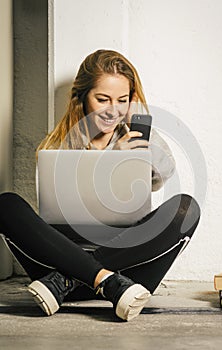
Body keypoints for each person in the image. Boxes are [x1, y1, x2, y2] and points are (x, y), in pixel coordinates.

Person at [0, 49, 201, 322]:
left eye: (122, 100)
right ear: (82, 99)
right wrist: (108, 157)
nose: (113, 110)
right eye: (102, 99)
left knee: (185, 208)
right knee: (6, 204)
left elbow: (162, 176)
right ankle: (102, 280)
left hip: (118, 273)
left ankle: (70, 280)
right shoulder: (59, 144)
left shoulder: (140, 138)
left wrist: (135, 152)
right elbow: (52, 213)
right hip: (67, 258)